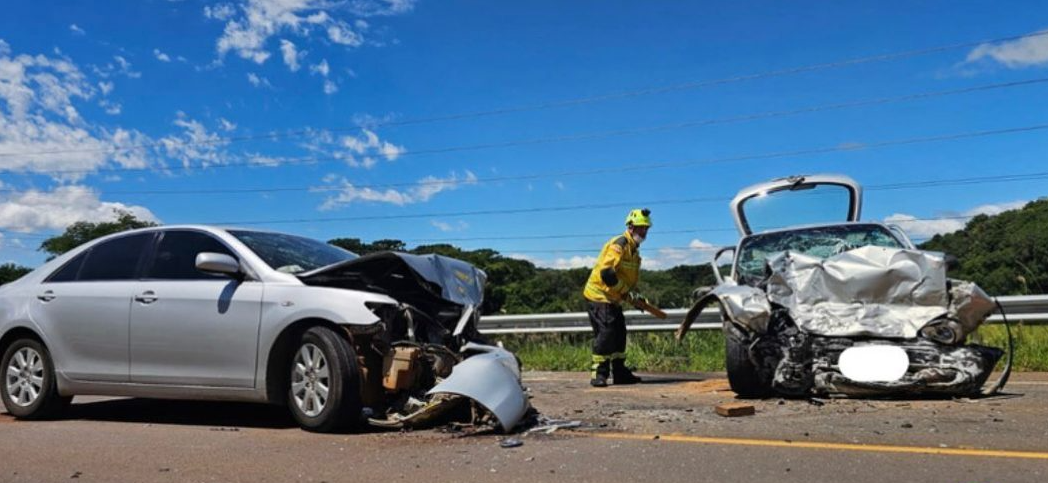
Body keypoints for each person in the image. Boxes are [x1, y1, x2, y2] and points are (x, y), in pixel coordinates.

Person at [582, 208, 651, 387]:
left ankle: (620, 372)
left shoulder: (634, 252)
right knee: (607, 332)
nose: (643, 231)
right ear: (630, 227)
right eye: (640, 227)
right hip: (599, 295)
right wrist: (626, 293)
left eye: (645, 228)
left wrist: (637, 298)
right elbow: (607, 274)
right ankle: (599, 372)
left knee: (620, 333)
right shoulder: (619, 244)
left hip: (613, 297)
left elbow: (627, 280)